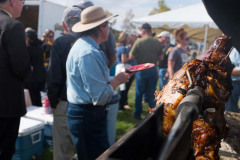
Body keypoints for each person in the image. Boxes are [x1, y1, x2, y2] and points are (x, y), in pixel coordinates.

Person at [66, 6, 130, 160]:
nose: (110, 29)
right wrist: (116, 80)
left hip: (85, 114)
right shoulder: (88, 52)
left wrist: (114, 78)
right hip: (87, 116)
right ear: (102, 28)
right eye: (109, 25)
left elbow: (92, 81)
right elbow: (100, 97)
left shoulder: (86, 47)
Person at [47, 6, 82, 160]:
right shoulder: (91, 41)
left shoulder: (61, 42)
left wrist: (53, 101)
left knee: (62, 151)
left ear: (64, 24)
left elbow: (54, 76)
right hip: (87, 104)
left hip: (66, 102)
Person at [0, 0, 31, 159]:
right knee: (5, 151)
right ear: (13, 1)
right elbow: (20, 67)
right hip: (6, 105)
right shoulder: (13, 25)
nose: (23, 5)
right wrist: (29, 69)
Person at [129, 23, 163, 120]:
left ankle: (137, 114)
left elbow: (131, 56)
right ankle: (152, 114)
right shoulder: (157, 42)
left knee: (139, 93)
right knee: (152, 92)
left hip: (142, 69)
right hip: (153, 69)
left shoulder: (139, 41)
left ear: (143, 31)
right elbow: (161, 57)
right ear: (150, 31)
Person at [25, 28, 46, 106]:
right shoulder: (40, 47)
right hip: (41, 75)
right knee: (38, 97)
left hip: (32, 77)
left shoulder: (28, 48)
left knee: (32, 98)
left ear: (29, 38)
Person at [225, 48, 240, 113]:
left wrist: (227, 70)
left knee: (230, 107)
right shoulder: (231, 48)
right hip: (228, 80)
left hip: (235, 83)